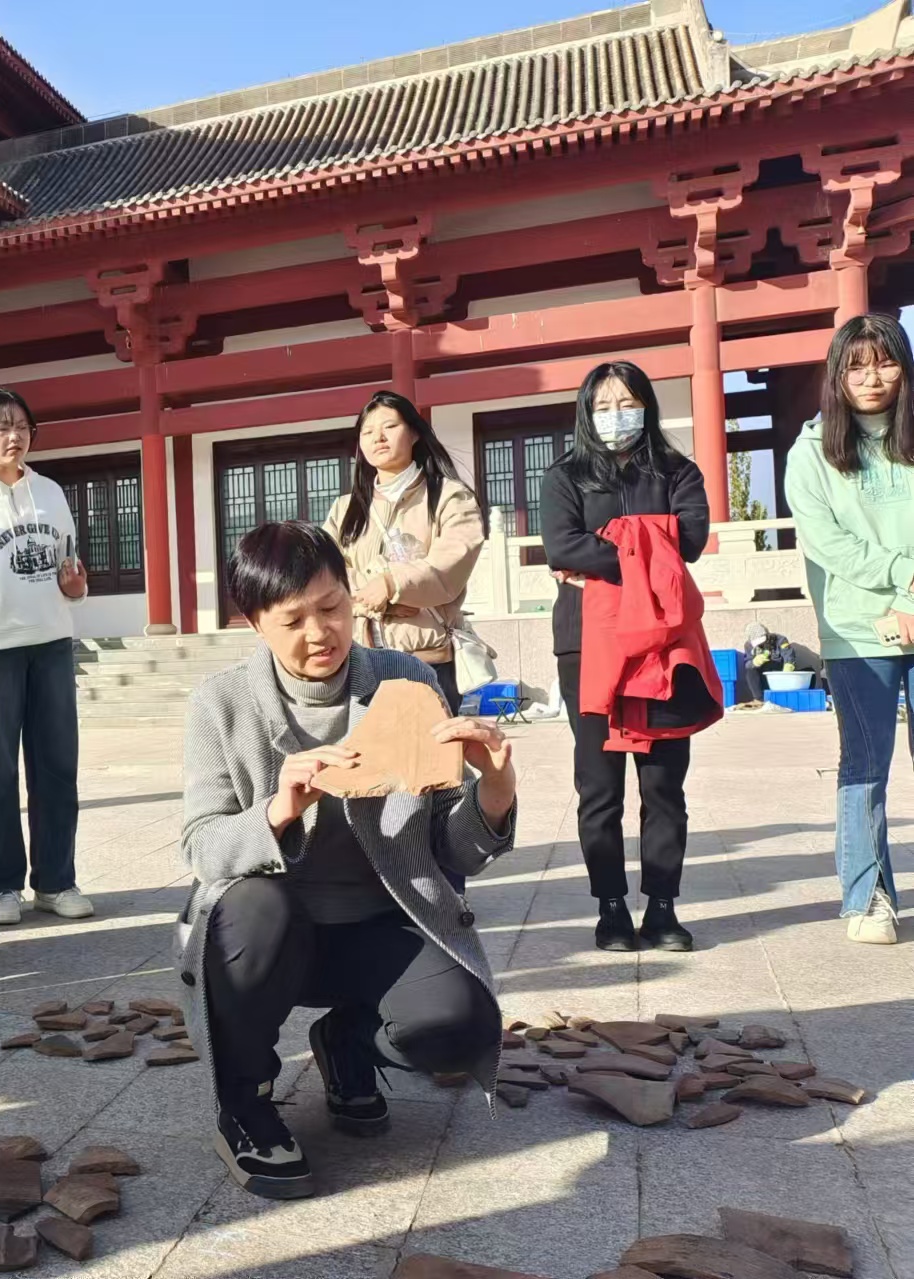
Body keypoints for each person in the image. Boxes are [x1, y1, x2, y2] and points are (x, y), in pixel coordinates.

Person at [179, 522, 514, 1201]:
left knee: (461, 1028)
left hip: (376, 928)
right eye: (292, 619)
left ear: (350, 598)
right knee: (253, 904)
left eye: (331, 606)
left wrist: (496, 790)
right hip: (272, 936)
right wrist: (279, 808)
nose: (320, 632)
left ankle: (347, 1042)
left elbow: (450, 850)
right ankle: (243, 1102)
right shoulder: (221, 702)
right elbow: (203, 845)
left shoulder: (406, 681)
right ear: (255, 623)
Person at [541, 361, 708, 953]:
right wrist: (650, 546)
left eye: (628, 403)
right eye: (604, 405)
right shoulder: (564, 476)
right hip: (587, 645)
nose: (617, 415)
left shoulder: (677, 470)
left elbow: (693, 538)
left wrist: (608, 550)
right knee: (599, 786)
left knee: (663, 786)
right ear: (586, 412)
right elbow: (561, 545)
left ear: (647, 407)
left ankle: (662, 909)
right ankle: (611, 908)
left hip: (665, 645)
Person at [786, 312, 914, 945]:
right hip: (858, 629)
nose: (871, 378)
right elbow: (829, 543)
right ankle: (868, 896)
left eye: (885, 362)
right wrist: (906, 577)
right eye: (856, 366)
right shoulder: (810, 454)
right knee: (866, 761)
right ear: (836, 375)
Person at [0, 387, 93, 927]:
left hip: (52, 643)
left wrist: (76, 587)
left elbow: (69, 572)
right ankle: (1, 885)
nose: (14, 436)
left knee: (57, 765)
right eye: (1, 427)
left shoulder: (51, 492)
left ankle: (56, 881)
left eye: (22, 427)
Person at [323, 390, 488, 714]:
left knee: (430, 746)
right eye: (368, 432)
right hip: (360, 663)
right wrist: (376, 596)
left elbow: (449, 563)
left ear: (414, 433)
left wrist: (391, 585)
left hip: (426, 659)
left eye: (389, 427)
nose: (378, 438)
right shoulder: (344, 510)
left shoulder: (449, 497)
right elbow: (326, 574)